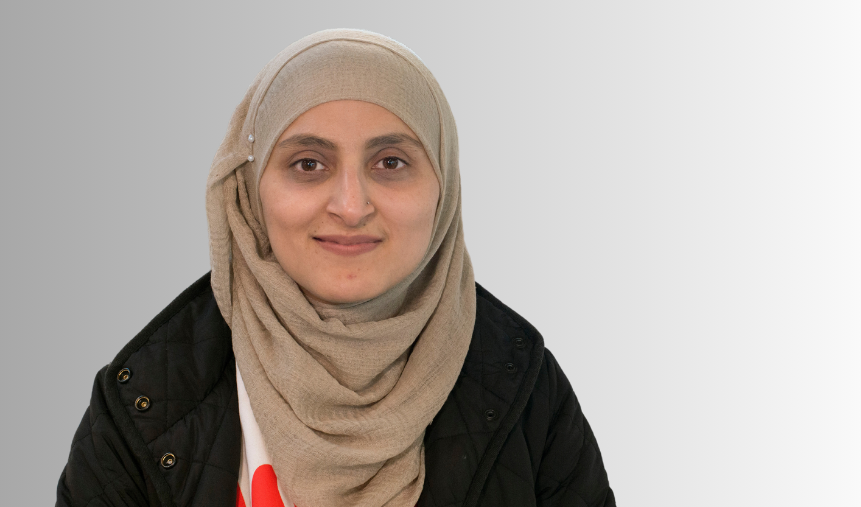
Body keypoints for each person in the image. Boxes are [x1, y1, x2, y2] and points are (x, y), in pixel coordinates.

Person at [56, 29, 616, 507]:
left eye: (391, 162)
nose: (351, 206)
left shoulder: (526, 387)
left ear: (443, 186)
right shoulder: (145, 402)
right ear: (250, 192)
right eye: (308, 164)